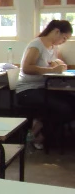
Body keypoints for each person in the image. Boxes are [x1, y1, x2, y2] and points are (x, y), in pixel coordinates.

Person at [16, 20, 74, 149]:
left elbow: (58, 63)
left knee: (72, 103)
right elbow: (26, 68)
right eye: (64, 38)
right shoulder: (37, 44)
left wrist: (59, 64)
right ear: (56, 32)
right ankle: (40, 135)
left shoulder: (53, 47)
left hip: (44, 88)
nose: (64, 41)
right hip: (28, 90)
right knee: (63, 108)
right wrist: (52, 70)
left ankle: (40, 127)